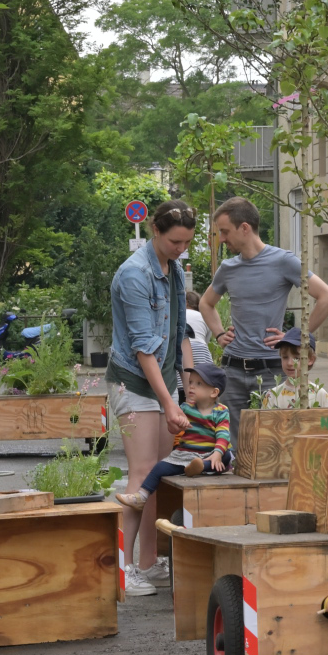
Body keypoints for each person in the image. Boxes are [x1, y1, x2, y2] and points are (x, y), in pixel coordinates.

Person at [109, 199, 198, 596]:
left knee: (158, 475)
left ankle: (147, 563)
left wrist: (184, 390)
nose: (181, 249)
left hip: (161, 382)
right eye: (175, 241)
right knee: (141, 475)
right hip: (133, 381)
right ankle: (122, 569)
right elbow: (144, 348)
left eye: (187, 243)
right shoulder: (134, 274)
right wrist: (168, 403)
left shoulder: (174, 269)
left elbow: (178, 335)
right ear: (155, 232)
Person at [199, 196, 328, 429]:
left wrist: (296, 337)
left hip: (272, 372)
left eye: (224, 232)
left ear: (244, 228)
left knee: (275, 441)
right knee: (232, 446)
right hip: (232, 371)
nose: (221, 239)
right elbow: (205, 303)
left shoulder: (283, 261)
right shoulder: (228, 268)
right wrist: (220, 333)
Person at [114, 362, 232, 511]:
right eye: (190, 382)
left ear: (214, 392)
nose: (191, 387)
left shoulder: (221, 411)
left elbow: (223, 434)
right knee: (159, 466)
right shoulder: (185, 408)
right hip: (186, 453)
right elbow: (175, 432)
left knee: (226, 455)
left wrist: (217, 453)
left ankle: (200, 467)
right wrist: (178, 425)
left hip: (210, 454)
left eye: (199, 383)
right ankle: (141, 496)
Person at [259, 328, 328, 409]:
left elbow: (327, 421)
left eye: (297, 358)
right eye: (285, 357)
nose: (289, 363)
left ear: (310, 359)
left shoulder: (320, 394)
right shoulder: (272, 395)